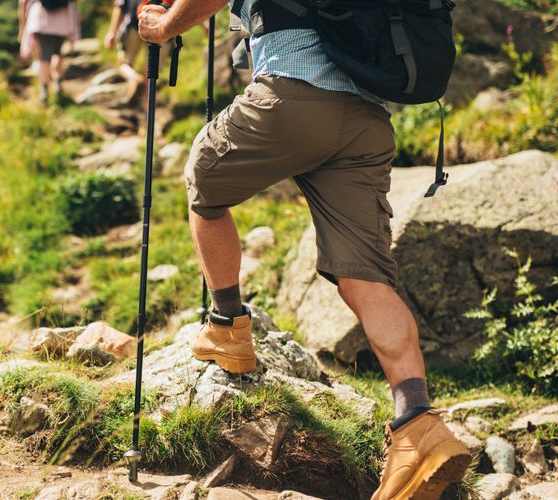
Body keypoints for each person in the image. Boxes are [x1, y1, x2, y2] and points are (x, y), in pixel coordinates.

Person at [138, 1, 471, 499]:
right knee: (366, 278)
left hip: (291, 97)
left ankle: (227, 326)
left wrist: (164, 25)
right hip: (365, 123)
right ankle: (418, 424)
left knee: (203, 178)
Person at [19, 0, 81, 105]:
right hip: (62, 22)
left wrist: (22, 27)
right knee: (58, 55)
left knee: (44, 59)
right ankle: (58, 88)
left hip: (41, 21)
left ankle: (44, 94)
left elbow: (23, 2)